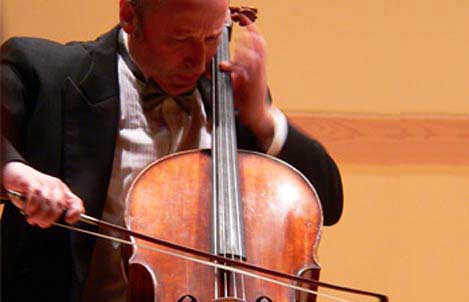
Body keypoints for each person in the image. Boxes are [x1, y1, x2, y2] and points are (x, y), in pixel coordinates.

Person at [1, 0, 343, 301]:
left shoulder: (234, 97)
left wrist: (264, 120)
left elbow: (327, 202)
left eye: (211, 38)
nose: (197, 62)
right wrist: (15, 172)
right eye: (180, 40)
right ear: (129, 16)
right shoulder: (47, 74)